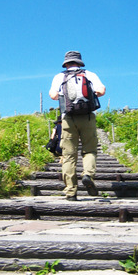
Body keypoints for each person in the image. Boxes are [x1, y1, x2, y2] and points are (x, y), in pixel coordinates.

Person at [49, 51, 106, 201]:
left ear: (66, 63)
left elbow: (53, 95)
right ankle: (87, 174)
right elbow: (102, 91)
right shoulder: (89, 74)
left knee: (68, 155)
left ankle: (71, 192)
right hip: (87, 117)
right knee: (90, 150)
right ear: (79, 62)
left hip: (68, 118)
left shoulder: (59, 77)